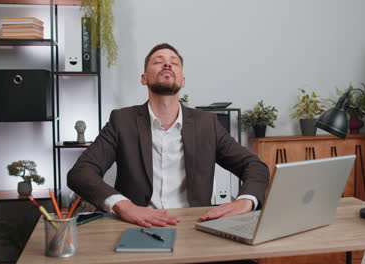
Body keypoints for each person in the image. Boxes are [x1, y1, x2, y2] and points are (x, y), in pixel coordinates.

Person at [67, 43, 269, 228]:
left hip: (195, 226)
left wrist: (245, 201)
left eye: (174, 63)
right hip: (137, 226)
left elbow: (254, 166)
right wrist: (124, 206)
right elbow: (80, 173)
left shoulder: (206, 124)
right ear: (144, 78)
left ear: (182, 80)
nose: (167, 64)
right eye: (158, 61)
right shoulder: (122, 121)